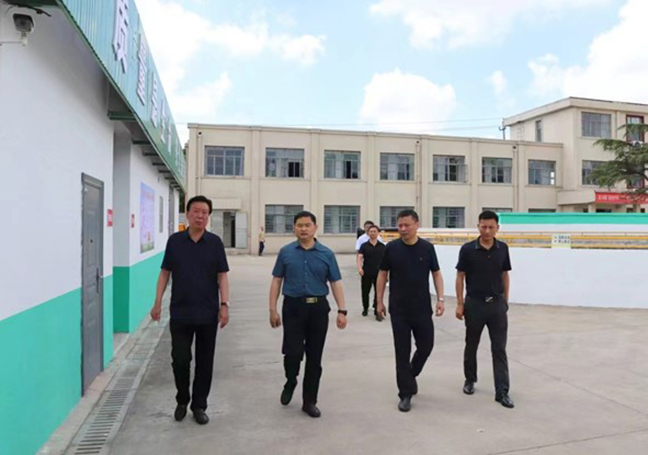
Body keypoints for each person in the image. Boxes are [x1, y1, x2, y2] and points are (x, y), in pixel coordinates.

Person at [150, 195, 230, 425]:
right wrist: (157, 302)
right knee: (180, 359)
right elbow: (165, 273)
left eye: (205, 212)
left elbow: (222, 276)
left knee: (205, 362)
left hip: (208, 313)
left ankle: (199, 405)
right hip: (181, 313)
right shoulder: (175, 241)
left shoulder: (215, 243)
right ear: (187, 213)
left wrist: (224, 305)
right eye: (196, 211)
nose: (200, 216)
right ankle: (182, 399)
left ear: (208, 216)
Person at [268, 210, 348, 418]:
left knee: (314, 357)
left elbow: (335, 282)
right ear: (294, 228)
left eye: (307, 225)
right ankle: (290, 380)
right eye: (299, 225)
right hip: (293, 308)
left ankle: (309, 401)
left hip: (318, 309)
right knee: (292, 352)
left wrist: (342, 310)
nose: (303, 229)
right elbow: (277, 280)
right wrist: (272, 309)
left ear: (315, 228)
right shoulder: (286, 252)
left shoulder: (326, 254)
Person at [376, 209, 445, 412]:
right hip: (399, 309)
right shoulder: (391, 248)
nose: (403, 229)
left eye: (407, 225)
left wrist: (440, 299)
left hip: (422, 307)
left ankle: (411, 374)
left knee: (426, 346)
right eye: (400, 225)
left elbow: (436, 274)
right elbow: (382, 274)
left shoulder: (427, 248)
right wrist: (378, 301)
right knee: (402, 351)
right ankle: (405, 393)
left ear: (417, 225)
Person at [455, 210, 514, 409]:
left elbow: (505, 275)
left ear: (497, 228)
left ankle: (502, 391)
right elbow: (460, 276)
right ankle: (470, 379)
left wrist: (505, 300)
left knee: (499, 348)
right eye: (483, 227)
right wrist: (460, 303)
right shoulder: (467, 249)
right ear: (478, 226)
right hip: (475, 304)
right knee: (471, 344)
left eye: (491, 227)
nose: (487, 231)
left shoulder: (502, 248)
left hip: (496, 305)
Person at [357, 225, 386, 320]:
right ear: (368, 233)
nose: (373, 233)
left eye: (374, 231)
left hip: (379, 273)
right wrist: (359, 268)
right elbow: (360, 257)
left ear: (378, 233)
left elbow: (386, 260)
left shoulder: (382, 246)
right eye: (371, 231)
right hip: (366, 272)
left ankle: (376, 309)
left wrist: (387, 273)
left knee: (378, 292)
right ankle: (365, 308)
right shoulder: (364, 246)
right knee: (365, 291)